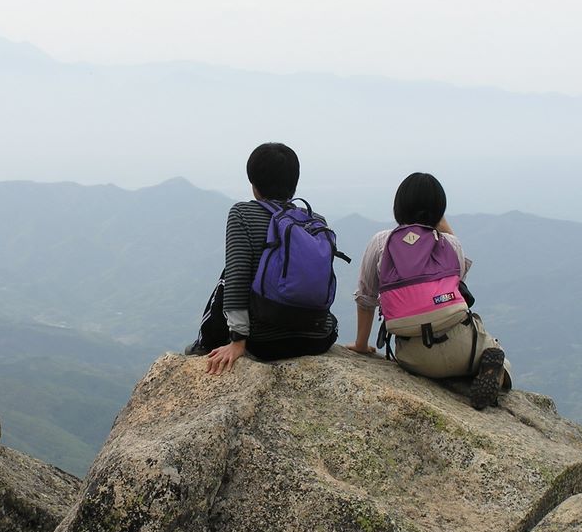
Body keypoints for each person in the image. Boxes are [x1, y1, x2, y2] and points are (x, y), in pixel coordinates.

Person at [348, 172, 511, 409]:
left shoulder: (382, 241)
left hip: (414, 355)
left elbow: (366, 298)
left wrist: (361, 344)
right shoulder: (450, 244)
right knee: (497, 351)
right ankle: (491, 370)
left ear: (398, 207)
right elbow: (457, 282)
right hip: (462, 348)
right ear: (439, 210)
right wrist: (437, 216)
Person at [186, 143, 338, 375]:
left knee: (227, 275)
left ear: (254, 183)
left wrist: (238, 341)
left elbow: (237, 277)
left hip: (266, 343)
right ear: (294, 183)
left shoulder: (242, 214)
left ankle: (203, 343)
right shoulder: (315, 220)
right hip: (319, 338)